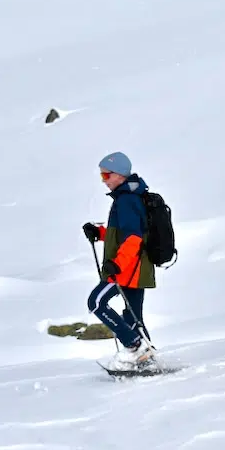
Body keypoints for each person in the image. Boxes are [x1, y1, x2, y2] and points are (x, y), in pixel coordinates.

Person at [82, 151, 157, 369]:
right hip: (138, 266)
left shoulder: (127, 200)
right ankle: (146, 360)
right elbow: (125, 233)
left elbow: (133, 238)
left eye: (106, 176)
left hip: (128, 267)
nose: (103, 181)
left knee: (96, 302)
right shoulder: (131, 196)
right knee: (133, 317)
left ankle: (134, 345)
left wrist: (117, 264)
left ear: (120, 175)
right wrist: (100, 233)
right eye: (101, 177)